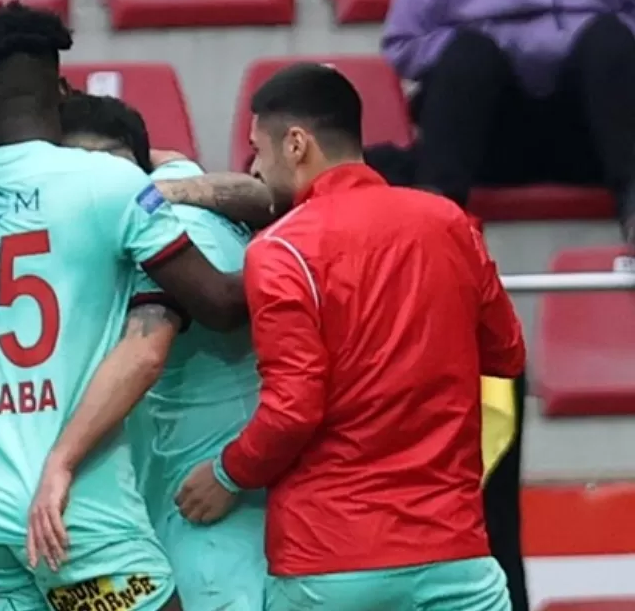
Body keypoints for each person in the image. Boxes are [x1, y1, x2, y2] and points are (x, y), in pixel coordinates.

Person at [0, 1, 248, 611]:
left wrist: (2, 433)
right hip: (78, 510)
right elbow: (218, 303)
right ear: (59, 92)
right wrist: (306, 249)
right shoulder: (108, 185)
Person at [174, 63, 527, 611]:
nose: (256, 169)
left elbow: (293, 408)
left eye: (258, 150)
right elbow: (507, 355)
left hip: (328, 563)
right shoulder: (450, 223)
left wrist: (226, 474)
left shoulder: (280, 249)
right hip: (454, 557)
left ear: (296, 144)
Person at [56, 92, 268, 610]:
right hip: (184, 506)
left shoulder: (175, 227)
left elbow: (146, 352)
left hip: (211, 517)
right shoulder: (162, 194)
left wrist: (60, 461)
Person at [383, 0, 635, 246]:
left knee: (610, 41)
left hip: (596, 135)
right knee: (470, 54)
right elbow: (403, 43)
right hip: (486, 135)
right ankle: (433, 228)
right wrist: (498, 45)